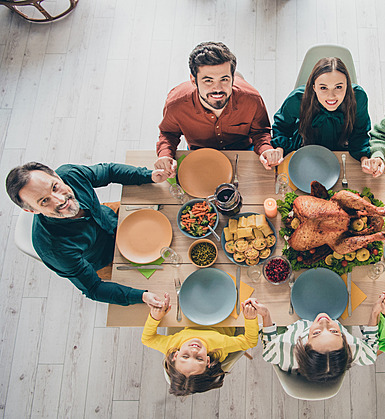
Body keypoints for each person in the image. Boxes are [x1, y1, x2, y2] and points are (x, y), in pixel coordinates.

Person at [5, 161, 169, 306]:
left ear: (56, 175)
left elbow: (109, 171)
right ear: (31, 210)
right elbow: (93, 288)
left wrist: (149, 176)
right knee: (162, 277)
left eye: (55, 187)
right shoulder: (54, 249)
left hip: (109, 216)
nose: (60, 200)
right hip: (105, 259)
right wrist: (141, 296)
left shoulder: (69, 174)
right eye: (44, 201)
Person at [155, 41, 283, 175]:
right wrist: (165, 155)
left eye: (224, 79)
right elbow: (168, 133)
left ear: (233, 78)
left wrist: (266, 149)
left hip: (242, 154)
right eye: (208, 81)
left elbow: (260, 132)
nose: (217, 89)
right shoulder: (176, 104)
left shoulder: (252, 100)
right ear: (194, 80)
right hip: (200, 156)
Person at [251, 295, 385, 382]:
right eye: (335, 331)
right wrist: (374, 313)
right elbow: (371, 354)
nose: (324, 321)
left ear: (304, 344)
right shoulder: (353, 350)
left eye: (316, 333)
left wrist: (265, 315)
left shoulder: (283, 349)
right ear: (345, 344)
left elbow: (268, 349)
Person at [141, 294, 259, 396]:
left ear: (175, 355)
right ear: (208, 361)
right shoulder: (220, 346)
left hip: (196, 306)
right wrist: (250, 319)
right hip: (224, 308)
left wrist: (154, 318)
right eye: (199, 358)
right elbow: (250, 341)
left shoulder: (170, 346)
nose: (193, 350)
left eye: (185, 356)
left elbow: (147, 339)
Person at [272, 57, 372, 167]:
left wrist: (364, 158)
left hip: (343, 148)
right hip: (304, 145)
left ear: (347, 86)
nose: (331, 96)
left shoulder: (358, 97)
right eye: (323, 88)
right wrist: (279, 150)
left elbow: (360, 132)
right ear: (314, 87)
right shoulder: (297, 99)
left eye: (338, 87)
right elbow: (281, 127)